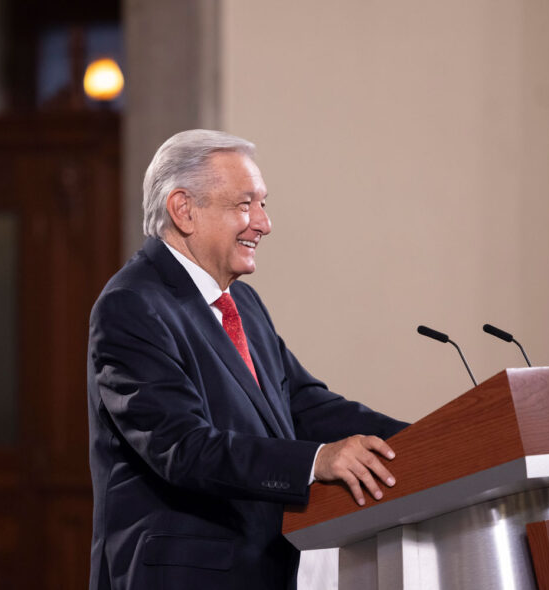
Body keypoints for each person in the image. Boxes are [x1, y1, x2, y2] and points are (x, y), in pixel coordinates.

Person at [87, 129, 408, 590]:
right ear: (184, 210)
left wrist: (433, 440)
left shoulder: (244, 304)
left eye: (262, 204)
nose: (264, 223)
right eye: (245, 205)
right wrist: (316, 462)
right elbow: (182, 447)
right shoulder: (132, 305)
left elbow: (308, 406)